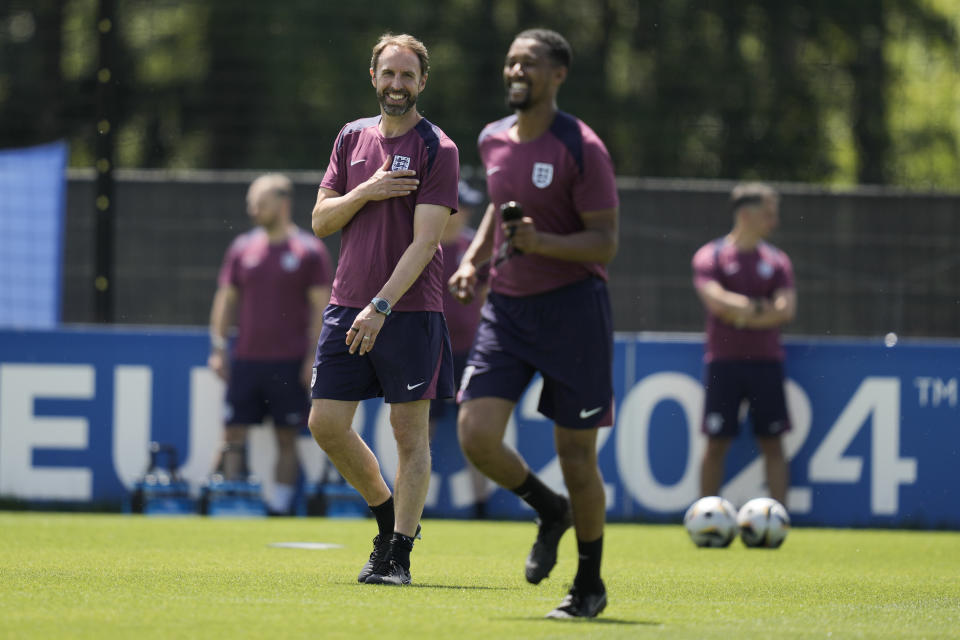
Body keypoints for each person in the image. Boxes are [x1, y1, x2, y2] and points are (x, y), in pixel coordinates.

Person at [449, 29, 619, 619]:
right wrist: (473, 262)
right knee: (475, 434)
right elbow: (499, 203)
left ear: (558, 76)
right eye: (511, 61)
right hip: (507, 311)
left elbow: (606, 242)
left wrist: (542, 241)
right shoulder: (492, 138)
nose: (516, 70)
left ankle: (589, 585)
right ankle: (549, 510)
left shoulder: (582, 146)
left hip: (574, 311)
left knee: (576, 455)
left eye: (530, 63)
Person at [307, 33, 459, 586]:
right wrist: (366, 190)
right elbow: (322, 221)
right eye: (388, 74)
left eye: (408, 75)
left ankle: (398, 554)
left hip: (409, 311)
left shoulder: (438, 148)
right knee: (325, 424)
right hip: (346, 305)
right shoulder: (351, 138)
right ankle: (386, 518)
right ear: (373, 77)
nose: (397, 85)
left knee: (408, 434)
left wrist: (381, 306)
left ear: (423, 81)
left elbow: (426, 243)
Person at [208, 173, 332, 515]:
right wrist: (219, 348)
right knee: (233, 433)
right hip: (246, 359)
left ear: (283, 203)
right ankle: (232, 501)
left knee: (286, 437)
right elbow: (225, 300)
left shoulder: (309, 251)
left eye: (260, 203)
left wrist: (313, 357)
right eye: (251, 203)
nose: (253, 210)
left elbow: (321, 309)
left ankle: (278, 508)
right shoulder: (241, 248)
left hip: (289, 361)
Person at [691, 182, 797, 506]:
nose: (774, 222)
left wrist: (741, 315)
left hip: (766, 362)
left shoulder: (777, 261)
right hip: (724, 362)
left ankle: (779, 517)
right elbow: (716, 302)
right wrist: (761, 309)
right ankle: (707, 516)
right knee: (716, 444)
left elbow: (786, 310)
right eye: (768, 213)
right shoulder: (712, 256)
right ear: (746, 214)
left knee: (773, 443)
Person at [429, 179, 490, 519]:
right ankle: (411, 504)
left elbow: (487, 301)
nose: (465, 213)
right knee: (421, 429)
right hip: (431, 351)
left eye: (468, 206)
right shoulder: (424, 246)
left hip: (470, 352)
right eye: (460, 206)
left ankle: (481, 504)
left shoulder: (475, 253)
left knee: (474, 428)